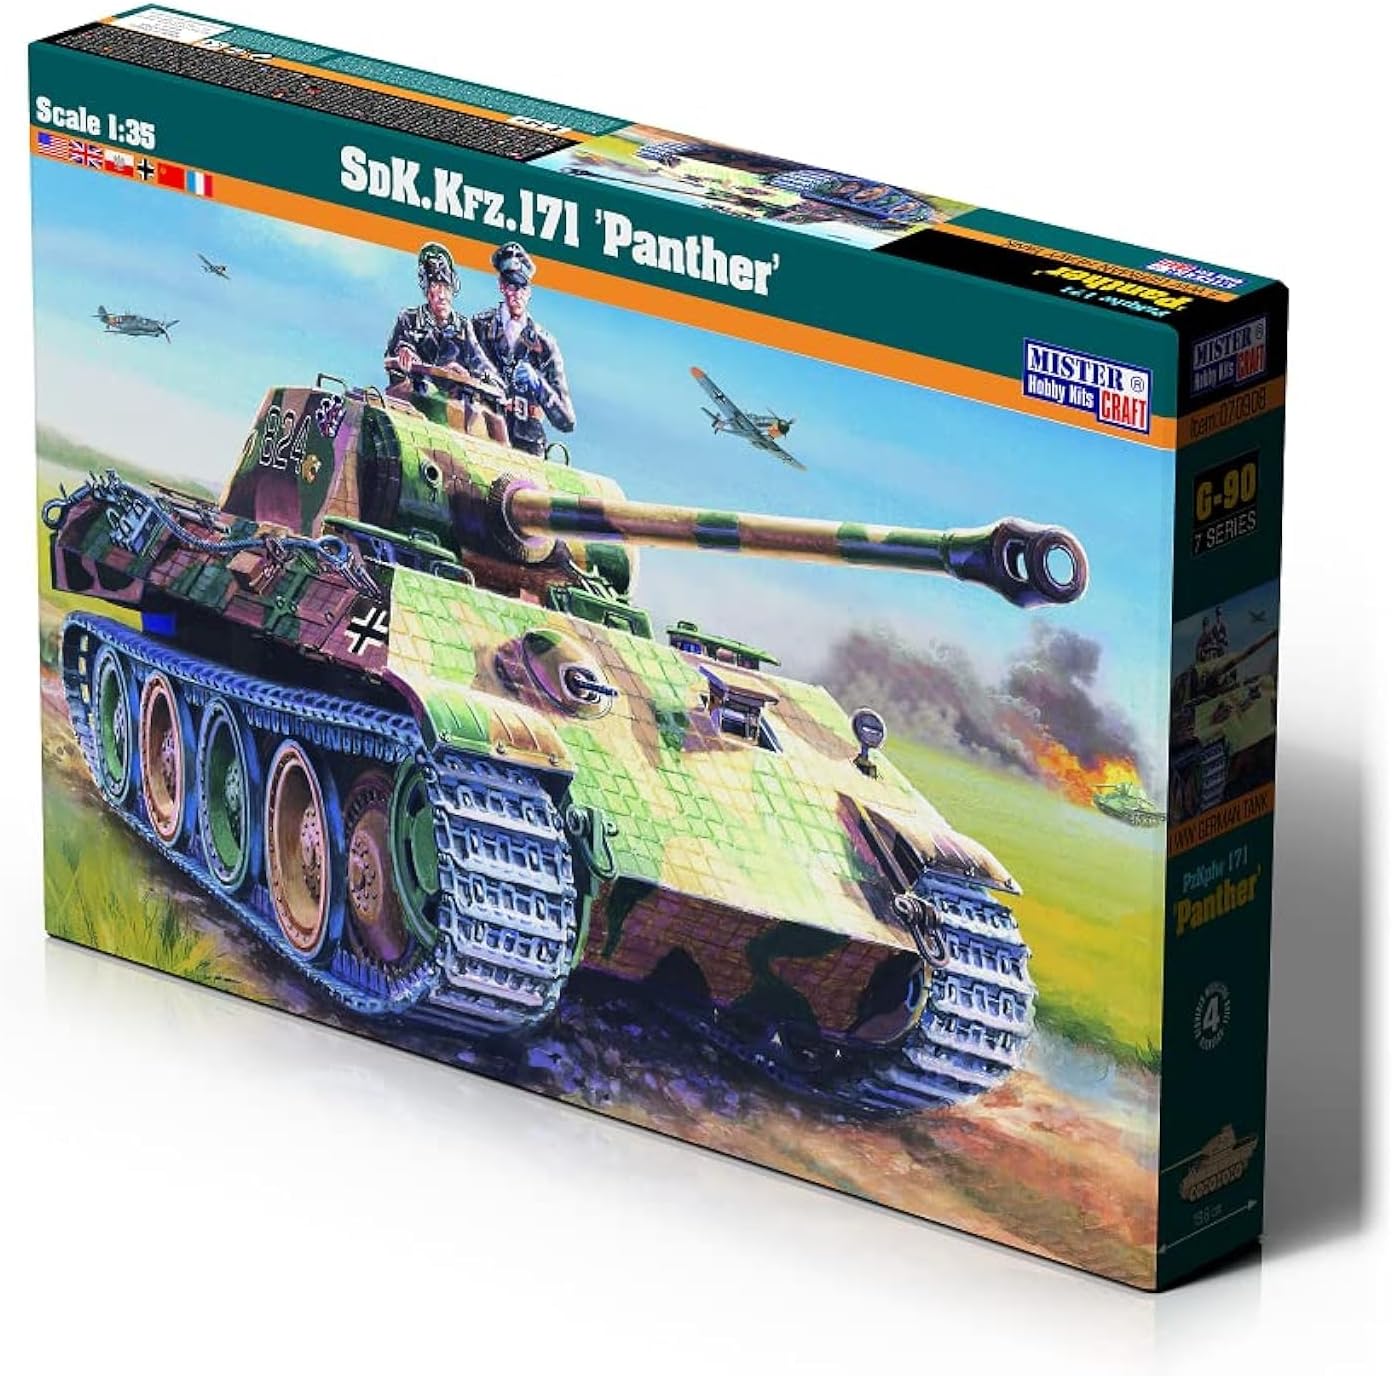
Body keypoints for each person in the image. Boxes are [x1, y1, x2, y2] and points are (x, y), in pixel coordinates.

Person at [471, 242, 575, 456]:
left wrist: (538, 384)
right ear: (501, 286)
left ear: (529, 292)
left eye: (522, 287)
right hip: (482, 434)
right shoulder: (478, 327)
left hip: (527, 446)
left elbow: (566, 420)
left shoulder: (545, 345)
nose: (516, 294)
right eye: (511, 286)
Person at [384, 242, 498, 397]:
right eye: (435, 287)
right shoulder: (408, 320)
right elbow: (391, 358)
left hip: (451, 404)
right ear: (426, 289)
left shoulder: (463, 327)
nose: (442, 296)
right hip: (411, 400)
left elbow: (483, 367)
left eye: (446, 287)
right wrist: (404, 352)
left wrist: (470, 376)